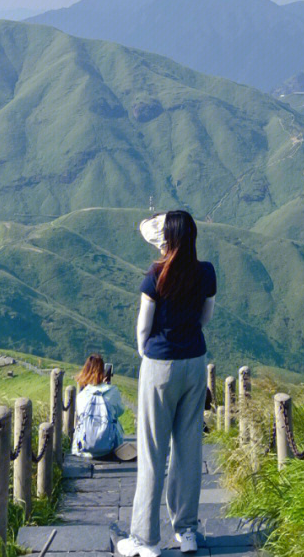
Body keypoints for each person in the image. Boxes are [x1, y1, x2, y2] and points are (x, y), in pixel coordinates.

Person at [117, 210, 217, 557]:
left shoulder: (156, 274)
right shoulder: (205, 272)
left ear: (167, 239)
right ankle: (186, 531)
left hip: (160, 365)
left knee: (152, 452)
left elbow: (143, 328)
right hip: (195, 364)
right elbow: (206, 318)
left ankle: (145, 540)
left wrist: (149, 354)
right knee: (189, 450)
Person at [71, 353, 130, 458]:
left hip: (84, 448)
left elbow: (80, 414)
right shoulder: (112, 391)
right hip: (110, 447)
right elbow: (120, 411)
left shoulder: (82, 395)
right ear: (103, 371)